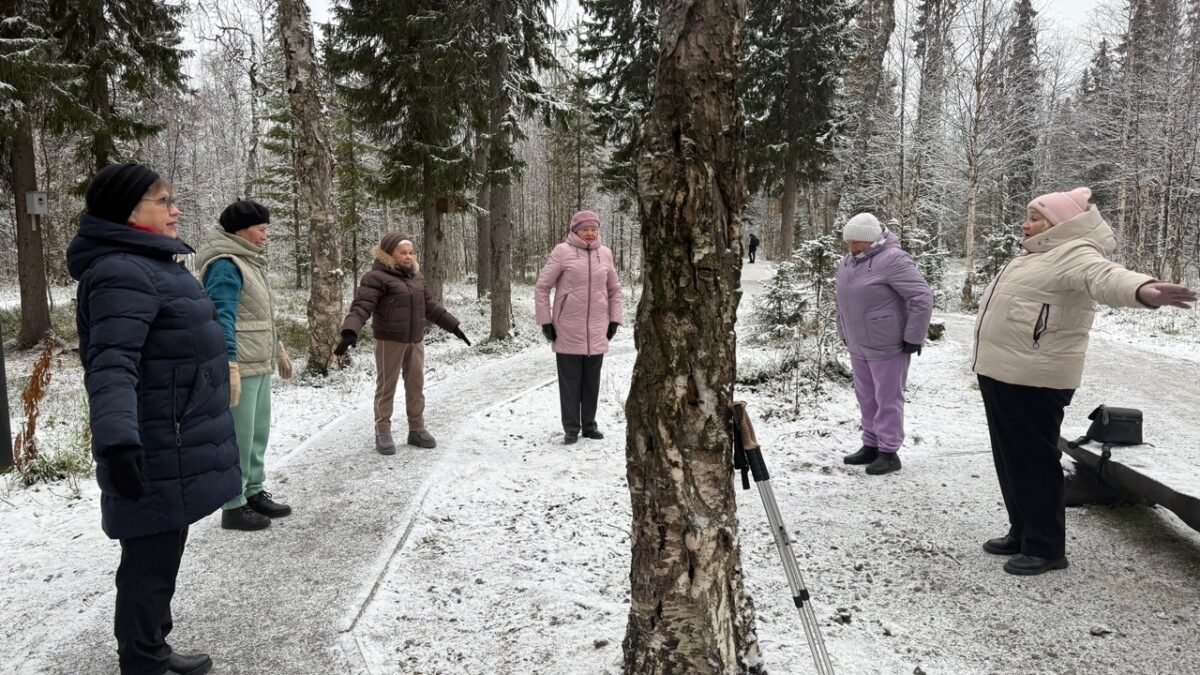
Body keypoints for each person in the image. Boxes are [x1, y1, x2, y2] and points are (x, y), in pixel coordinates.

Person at [67, 162, 239, 675]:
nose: (176, 209)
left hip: (174, 434)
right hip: (154, 439)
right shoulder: (123, 270)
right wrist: (118, 442)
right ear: (128, 212)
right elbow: (111, 362)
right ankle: (143, 659)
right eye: (164, 201)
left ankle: (152, 646)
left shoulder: (150, 264)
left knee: (163, 547)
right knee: (149, 555)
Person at [973, 187, 1196, 576]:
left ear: (1061, 223)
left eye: (1035, 217)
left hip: (1034, 378)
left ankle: (1045, 548)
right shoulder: (1036, 254)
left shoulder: (1074, 252)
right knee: (1010, 459)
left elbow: (1105, 277)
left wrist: (1142, 289)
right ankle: (1022, 530)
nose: (1026, 224)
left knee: (1034, 462)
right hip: (1002, 372)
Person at [195, 199, 293, 532]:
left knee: (257, 433)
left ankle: (253, 490)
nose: (266, 236)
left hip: (259, 361)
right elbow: (221, 317)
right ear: (241, 230)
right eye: (262, 229)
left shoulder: (250, 262)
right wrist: (229, 364)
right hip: (241, 365)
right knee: (238, 435)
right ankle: (233, 504)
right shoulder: (225, 265)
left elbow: (259, 313)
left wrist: (277, 345)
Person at [335, 232, 470, 453]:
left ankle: (416, 429)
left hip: (415, 340)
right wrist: (350, 331)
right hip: (390, 340)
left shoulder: (416, 278)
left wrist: (453, 326)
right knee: (387, 387)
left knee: (416, 386)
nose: (408, 256)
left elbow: (431, 307)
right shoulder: (376, 278)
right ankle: (383, 431)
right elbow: (361, 306)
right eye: (402, 252)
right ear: (390, 253)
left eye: (410, 252)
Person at [835, 212, 933, 476]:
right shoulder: (847, 262)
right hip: (859, 344)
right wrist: (842, 331)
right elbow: (841, 302)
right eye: (849, 241)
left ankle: (889, 452)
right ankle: (871, 444)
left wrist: (913, 337)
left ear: (873, 239)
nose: (853, 246)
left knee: (887, 398)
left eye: (858, 241)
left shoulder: (893, 260)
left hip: (888, 345)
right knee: (866, 397)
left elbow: (922, 297)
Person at [535, 210, 624, 444]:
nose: (590, 233)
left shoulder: (605, 254)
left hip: (597, 329)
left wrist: (614, 319)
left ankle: (589, 426)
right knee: (570, 383)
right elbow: (542, 287)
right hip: (567, 329)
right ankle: (571, 429)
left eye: (593, 229)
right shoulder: (562, 252)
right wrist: (545, 321)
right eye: (585, 229)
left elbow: (614, 290)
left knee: (591, 383)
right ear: (575, 231)